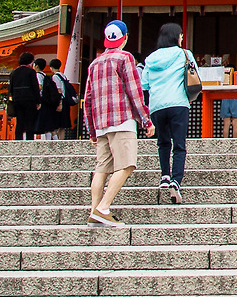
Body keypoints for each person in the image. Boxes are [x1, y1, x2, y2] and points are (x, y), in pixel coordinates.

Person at [83, 20, 155, 228]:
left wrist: (91, 130)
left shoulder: (94, 63)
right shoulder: (125, 58)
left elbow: (88, 99)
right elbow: (134, 91)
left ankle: (94, 211)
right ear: (125, 37)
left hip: (101, 124)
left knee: (101, 168)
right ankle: (103, 208)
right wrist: (146, 119)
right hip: (122, 120)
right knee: (127, 165)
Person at [141, 23, 196, 205]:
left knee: (163, 142)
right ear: (176, 36)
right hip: (178, 103)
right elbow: (194, 75)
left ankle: (165, 175)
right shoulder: (184, 54)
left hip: (157, 105)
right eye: (181, 35)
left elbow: (144, 84)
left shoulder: (151, 59)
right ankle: (176, 180)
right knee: (179, 145)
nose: (182, 38)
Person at [9, 51, 40, 140]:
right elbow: (35, 87)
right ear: (30, 61)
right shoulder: (31, 72)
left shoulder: (14, 72)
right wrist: (38, 101)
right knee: (30, 121)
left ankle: (18, 139)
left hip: (17, 99)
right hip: (29, 99)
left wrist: (13, 98)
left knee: (20, 120)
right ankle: (29, 139)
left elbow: (10, 87)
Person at [34, 59, 69, 140]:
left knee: (48, 125)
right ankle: (58, 141)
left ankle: (53, 141)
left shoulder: (53, 76)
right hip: (59, 101)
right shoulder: (62, 76)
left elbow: (40, 87)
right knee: (56, 126)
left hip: (49, 102)